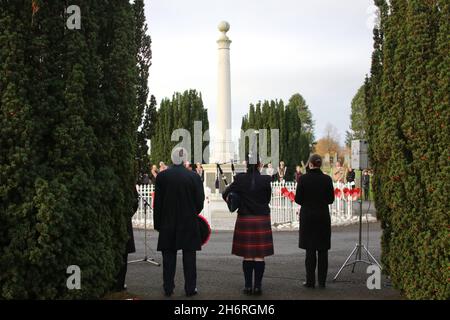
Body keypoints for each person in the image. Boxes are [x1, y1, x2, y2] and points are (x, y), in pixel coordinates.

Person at [153, 148, 205, 297]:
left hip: (168, 222)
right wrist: (191, 212)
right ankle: (190, 288)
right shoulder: (194, 177)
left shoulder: (162, 177)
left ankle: (168, 288)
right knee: (189, 257)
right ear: (184, 159)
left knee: (168, 257)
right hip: (188, 221)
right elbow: (199, 202)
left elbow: (158, 204)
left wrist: (158, 224)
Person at [222, 154, 274, 295]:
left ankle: (247, 286)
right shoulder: (265, 180)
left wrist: (234, 201)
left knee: (248, 255)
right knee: (259, 255)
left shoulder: (240, 179)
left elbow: (225, 193)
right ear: (259, 165)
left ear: (246, 165)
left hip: (245, 218)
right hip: (261, 218)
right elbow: (268, 198)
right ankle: (257, 286)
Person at [295, 154, 334, 289]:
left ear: (310, 164)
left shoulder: (303, 179)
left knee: (310, 250)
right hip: (322, 217)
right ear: (320, 164)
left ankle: (310, 281)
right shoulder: (327, 179)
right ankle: (322, 282)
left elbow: (298, 199)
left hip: (308, 217)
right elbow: (330, 200)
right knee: (323, 250)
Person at [115, 185, 138, 291]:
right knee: (123, 256)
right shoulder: (127, 182)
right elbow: (134, 203)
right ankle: (119, 284)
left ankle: (116, 284)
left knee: (122, 255)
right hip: (123, 221)